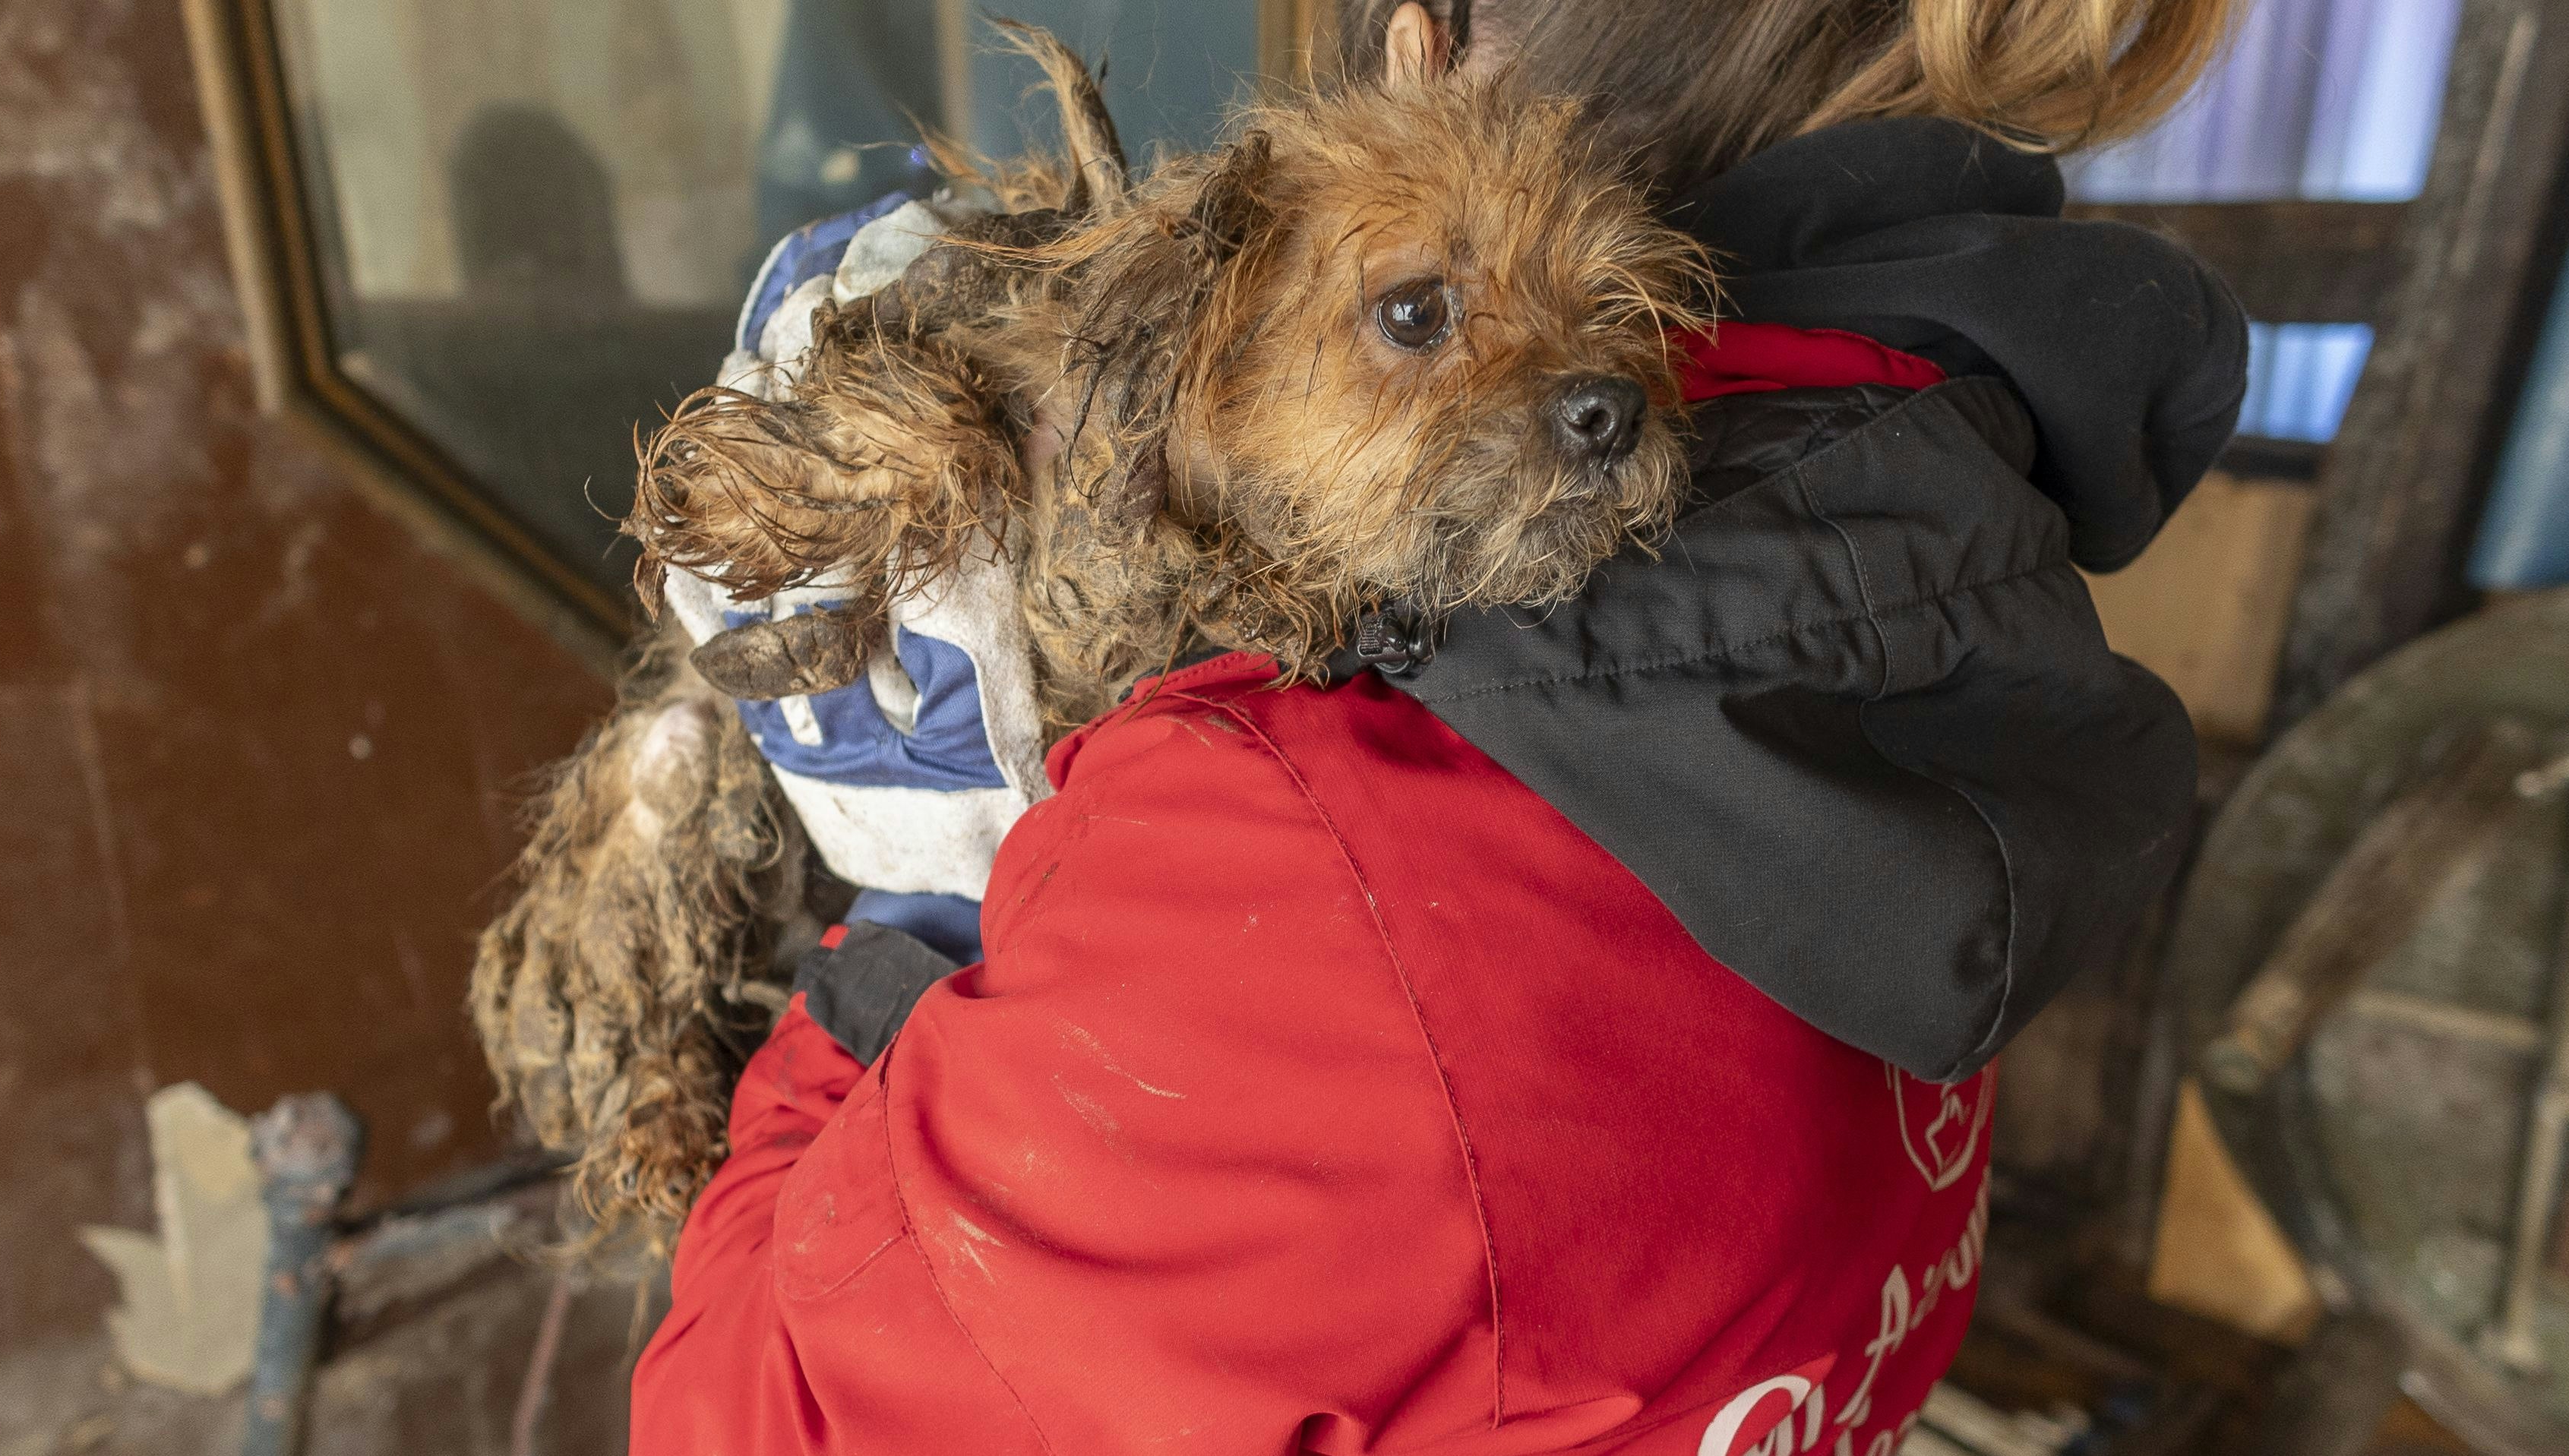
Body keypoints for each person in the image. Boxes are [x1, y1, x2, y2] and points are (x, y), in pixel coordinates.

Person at [630, 2, 2244, 1451]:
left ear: (1423, 42)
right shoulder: (1956, 545)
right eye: (1417, 317)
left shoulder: (1293, 861)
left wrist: (895, 947)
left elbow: (737, 1420)